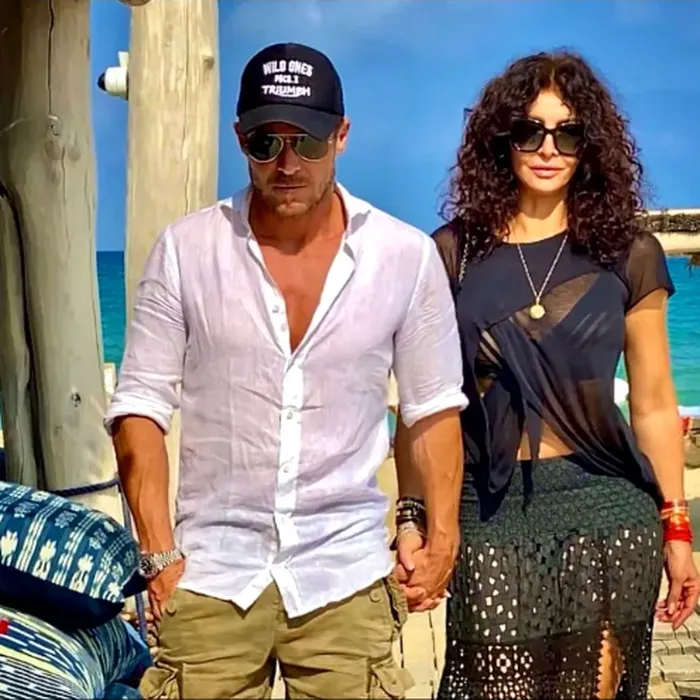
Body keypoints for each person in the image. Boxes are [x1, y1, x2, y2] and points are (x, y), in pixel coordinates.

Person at [105, 42, 467, 700]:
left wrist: (435, 534)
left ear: (342, 135)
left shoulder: (404, 257)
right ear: (239, 139)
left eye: (308, 140)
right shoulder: (187, 251)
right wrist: (158, 556)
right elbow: (139, 408)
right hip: (209, 578)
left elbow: (432, 409)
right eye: (266, 142)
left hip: (346, 576)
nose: (288, 162)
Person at [393, 50, 700, 699]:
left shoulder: (628, 253)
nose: (548, 149)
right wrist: (413, 514)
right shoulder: (452, 253)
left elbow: (652, 402)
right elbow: (423, 404)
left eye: (568, 133)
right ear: (502, 138)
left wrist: (677, 527)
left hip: (608, 509)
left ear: (592, 145)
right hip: (490, 512)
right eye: (530, 131)